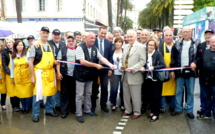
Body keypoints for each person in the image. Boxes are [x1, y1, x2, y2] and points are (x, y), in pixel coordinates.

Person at [73, 32, 115, 123]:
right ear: (86, 38)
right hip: (80, 75)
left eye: (94, 38)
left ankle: (87, 111)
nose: (93, 40)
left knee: (88, 93)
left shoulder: (94, 48)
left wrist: (110, 64)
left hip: (89, 75)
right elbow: (82, 61)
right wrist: (95, 65)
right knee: (79, 95)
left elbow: (101, 58)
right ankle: (79, 114)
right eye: (91, 38)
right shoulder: (80, 47)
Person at [29, 26, 59, 122]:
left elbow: (52, 60)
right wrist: (32, 77)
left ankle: (49, 110)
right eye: (43, 33)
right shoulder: (35, 46)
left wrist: (55, 62)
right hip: (39, 74)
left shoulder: (52, 46)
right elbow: (30, 62)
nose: (45, 34)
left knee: (51, 93)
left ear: (48, 34)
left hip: (50, 73)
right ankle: (36, 113)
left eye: (47, 33)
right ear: (40, 33)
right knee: (37, 94)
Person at [170, 26, 200, 119]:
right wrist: (173, 70)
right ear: (181, 33)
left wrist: (195, 62)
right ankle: (178, 108)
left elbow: (199, 56)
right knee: (179, 91)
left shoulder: (196, 43)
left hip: (191, 71)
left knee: (190, 92)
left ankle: (189, 110)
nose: (185, 33)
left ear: (191, 33)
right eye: (184, 32)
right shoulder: (177, 43)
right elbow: (173, 58)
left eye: (187, 32)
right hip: (179, 71)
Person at [120, 29, 146, 119]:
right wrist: (120, 65)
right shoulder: (126, 46)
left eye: (131, 37)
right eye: (128, 37)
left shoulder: (141, 47)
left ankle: (137, 112)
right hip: (125, 75)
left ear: (135, 37)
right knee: (126, 95)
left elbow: (143, 61)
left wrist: (132, 69)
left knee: (136, 96)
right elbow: (122, 58)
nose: (129, 38)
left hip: (135, 75)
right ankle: (128, 110)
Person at [142, 38, 166, 122]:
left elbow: (163, 65)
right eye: (149, 45)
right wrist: (143, 67)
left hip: (156, 79)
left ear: (155, 46)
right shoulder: (145, 54)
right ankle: (152, 111)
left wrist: (153, 67)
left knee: (156, 97)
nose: (150, 46)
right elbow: (144, 63)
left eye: (152, 45)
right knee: (150, 97)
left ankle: (156, 114)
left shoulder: (158, 54)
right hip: (148, 79)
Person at [91, 26, 113, 113]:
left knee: (104, 87)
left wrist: (110, 68)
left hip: (105, 69)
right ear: (98, 32)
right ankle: (92, 106)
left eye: (105, 33)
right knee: (94, 88)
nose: (103, 35)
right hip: (94, 68)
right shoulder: (93, 41)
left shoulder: (108, 42)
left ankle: (103, 105)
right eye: (102, 33)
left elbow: (110, 55)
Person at [195, 29, 214, 116]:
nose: (208, 36)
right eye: (207, 34)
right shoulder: (202, 47)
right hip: (203, 75)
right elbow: (198, 58)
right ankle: (205, 109)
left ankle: (213, 110)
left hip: (213, 76)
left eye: (210, 34)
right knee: (204, 94)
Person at [11, 40, 33, 114]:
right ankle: (23, 107)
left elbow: (31, 65)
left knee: (28, 93)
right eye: (18, 45)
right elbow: (12, 67)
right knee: (20, 94)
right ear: (15, 47)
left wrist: (32, 76)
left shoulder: (27, 54)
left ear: (24, 46)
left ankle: (27, 107)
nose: (20, 46)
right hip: (17, 77)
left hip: (27, 76)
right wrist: (12, 77)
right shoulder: (13, 55)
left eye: (21, 45)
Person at [58, 35, 76, 118]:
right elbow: (58, 62)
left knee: (74, 93)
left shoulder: (78, 49)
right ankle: (64, 111)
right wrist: (58, 72)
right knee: (64, 93)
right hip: (65, 75)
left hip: (75, 75)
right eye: (69, 41)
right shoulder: (62, 50)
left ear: (74, 41)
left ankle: (73, 109)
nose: (71, 42)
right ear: (66, 42)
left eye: (72, 41)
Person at [159, 30, 176, 113]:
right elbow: (160, 59)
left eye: (170, 35)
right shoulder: (160, 46)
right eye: (167, 35)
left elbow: (176, 59)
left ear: (173, 36)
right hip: (163, 71)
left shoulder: (176, 46)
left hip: (173, 72)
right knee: (163, 89)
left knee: (173, 89)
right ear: (164, 37)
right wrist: (167, 70)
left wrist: (172, 70)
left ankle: (173, 106)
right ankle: (163, 106)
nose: (168, 37)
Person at [2, 37, 20, 112]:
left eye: (10, 42)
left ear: (13, 42)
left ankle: (18, 105)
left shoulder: (17, 51)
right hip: (9, 74)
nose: (8, 43)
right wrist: (8, 71)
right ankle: (14, 106)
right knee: (12, 90)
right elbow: (4, 63)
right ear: (5, 44)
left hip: (18, 73)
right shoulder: (5, 52)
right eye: (7, 42)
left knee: (18, 89)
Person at [49, 29, 65, 112]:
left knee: (60, 88)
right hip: (50, 69)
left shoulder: (63, 44)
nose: (57, 36)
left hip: (61, 70)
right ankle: (53, 105)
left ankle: (59, 104)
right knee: (52, 88)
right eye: (55, 34)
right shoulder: (48, 43)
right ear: (52, 35)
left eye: (58, 34)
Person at [109, 37, 124, 111]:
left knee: (122, 89)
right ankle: (113, 104)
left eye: (119, 42)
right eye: (116, 42)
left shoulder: (125, 51)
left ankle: (122, 104)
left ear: (122, 43)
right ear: (114, 43)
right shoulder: (112, 51)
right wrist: (110, 69)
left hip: (123, 74)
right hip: (114, 73)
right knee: (114, 89)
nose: (118, 43)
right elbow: (110, 61)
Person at [0, 41, 7, 111]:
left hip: (3, 75)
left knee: (3, 91)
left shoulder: (3, 54)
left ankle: (3, 104)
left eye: (0, 46)